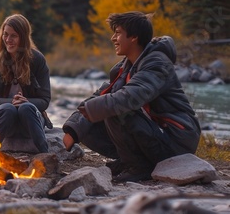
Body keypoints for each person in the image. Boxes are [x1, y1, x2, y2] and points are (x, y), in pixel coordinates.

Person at [62, 11, 201, 182]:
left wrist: (93, 110)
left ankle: (139, 167)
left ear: (134, 37)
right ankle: (129, 161)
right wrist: (73, 130)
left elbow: (130, 98)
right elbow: (100, 95)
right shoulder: (125, 66)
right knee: (88, 122)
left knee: (115, 109)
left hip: (177, 140)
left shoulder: (157, 63)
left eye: (118, 33)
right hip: (156, 132)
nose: (113, 38)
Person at [0, 14, 52, 153]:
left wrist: (26, 102)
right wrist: (13, 102)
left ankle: (46, 155)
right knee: (8, 109)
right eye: (5, 34)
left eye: (14, 36)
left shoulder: (37, 60)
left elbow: (45, 100)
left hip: (29, 121)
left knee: (26, 108)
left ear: (24, 38)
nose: (8, 40)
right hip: (3, 119)